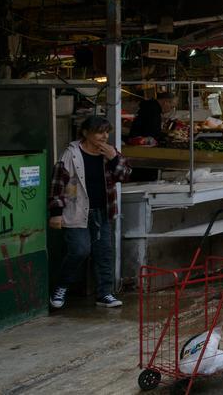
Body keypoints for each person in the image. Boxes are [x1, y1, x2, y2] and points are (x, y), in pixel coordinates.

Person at [48, 115, 133, 310]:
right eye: (99, 132)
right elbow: (58, 184)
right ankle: (60, 287)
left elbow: (125, 175)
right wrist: (56, 212)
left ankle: (105, 293)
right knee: (79, 250)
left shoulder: (109, 153)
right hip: (76, 212)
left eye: (106, 132)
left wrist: (113, 158)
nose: (104, 136)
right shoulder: (71, 154)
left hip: (102, 211)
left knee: (104, 252)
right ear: (86, 133)